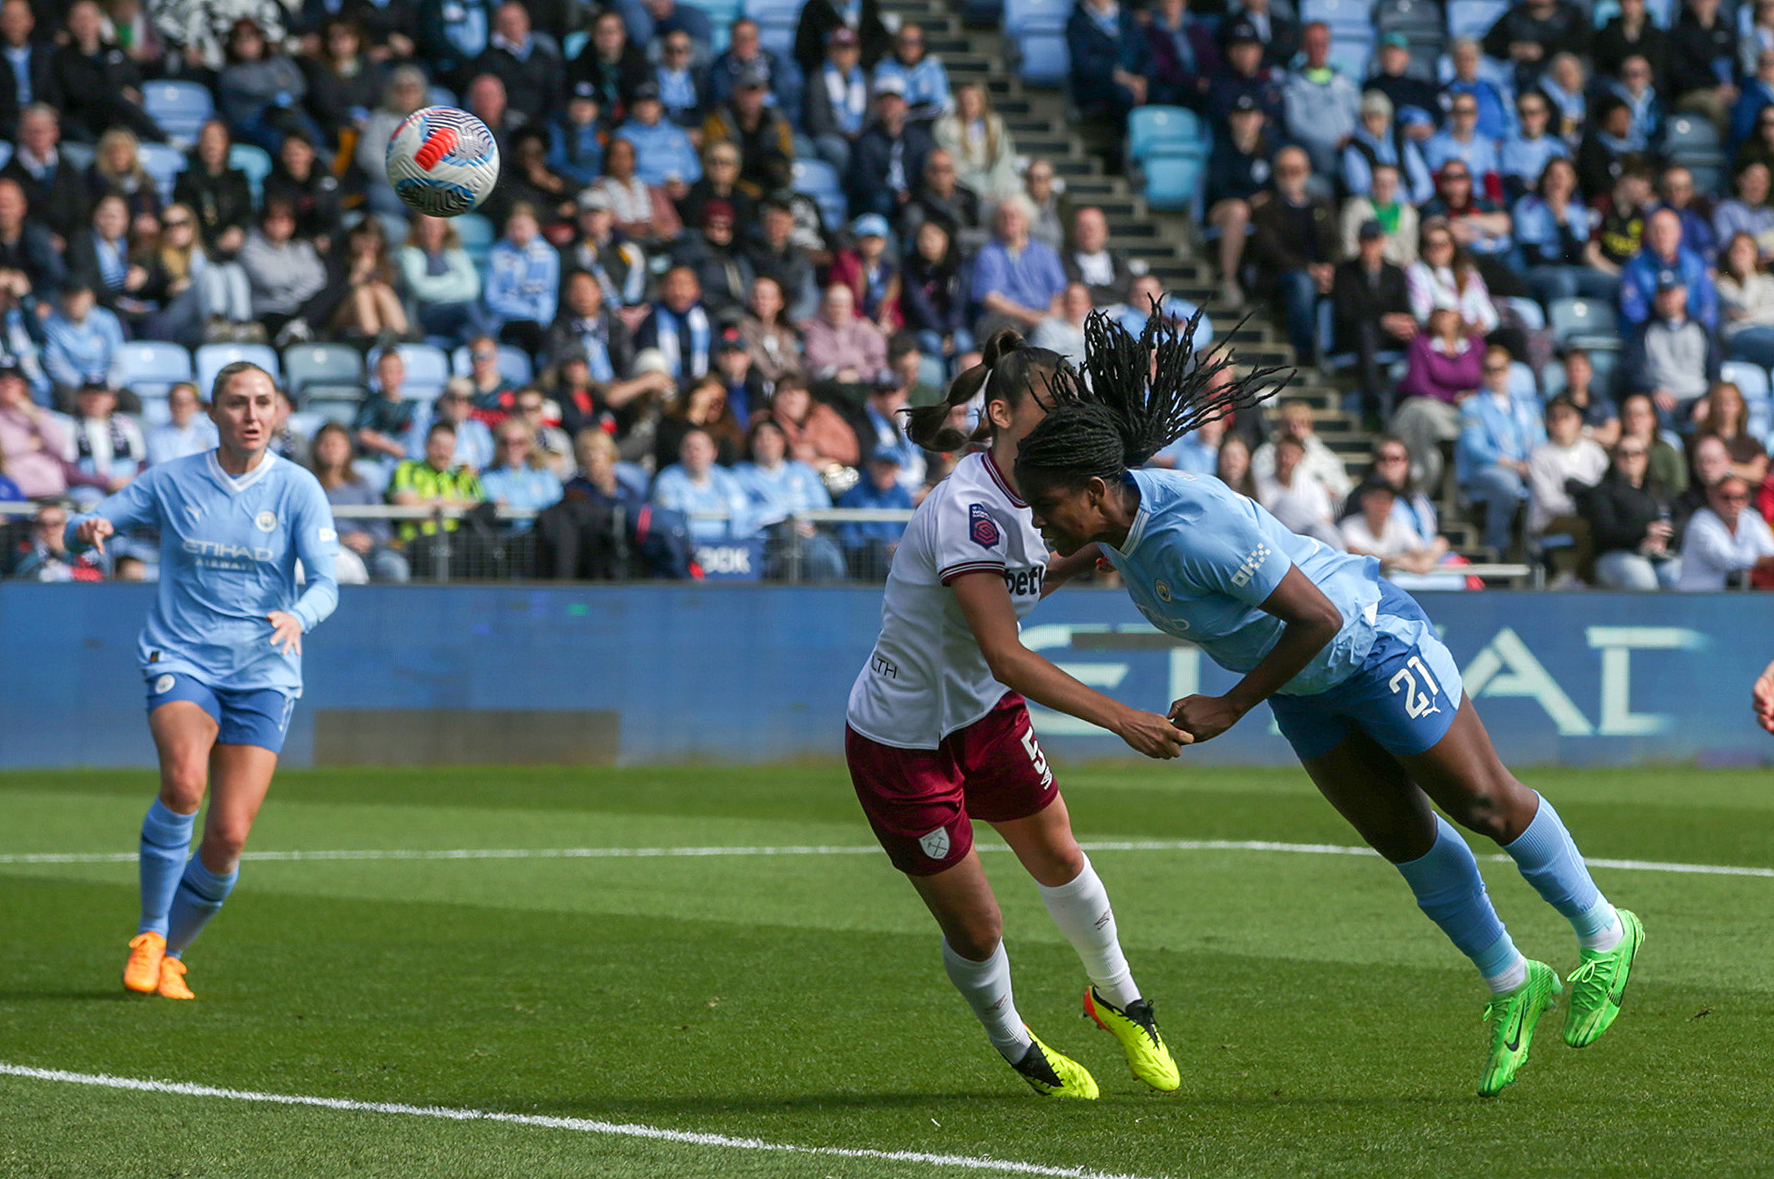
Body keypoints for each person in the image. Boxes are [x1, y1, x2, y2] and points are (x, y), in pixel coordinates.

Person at [1014, 313, 1644, 1097]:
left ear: (1095, 489)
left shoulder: (1191, 530)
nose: (1040, 521)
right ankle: (1515, 981)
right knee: (1402, 837)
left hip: (1370, 643)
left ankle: (1606, 930)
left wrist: (1231, 707)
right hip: (1304, 685)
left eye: (1045, 507)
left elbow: (1320, 616)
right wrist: (1018, 580)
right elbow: (1089, 546)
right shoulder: (1116, 516)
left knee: (1482, 800)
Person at [845, 330, 1183, 1100]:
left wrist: (1089, 551)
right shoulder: (968, 507)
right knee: (980, 929)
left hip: (984, 719)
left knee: (1060, 854)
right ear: (998, 413)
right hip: (903, 743)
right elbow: (1005, 651)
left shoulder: (1040, 492)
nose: (1066, 421)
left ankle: (1122, 1000)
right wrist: (1122, 717)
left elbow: (1023, 582)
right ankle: (1017, 1043)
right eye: (1050, 407)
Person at [68, 361, 338, 1000]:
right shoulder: (173, 479)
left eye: (263, 403)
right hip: (182, 657)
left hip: (265, 668)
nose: (251, 414)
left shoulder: (298, 488)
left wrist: (299, 614)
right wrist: (94, 525)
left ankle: (173, 954)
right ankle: (151, 934)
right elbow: (106, 512)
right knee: (184, 783)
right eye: (237, 402)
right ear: (213, 412)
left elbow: (326, 582)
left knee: (229, 836)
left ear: (277, 413)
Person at [1248, 146, 1337, 364]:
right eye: (1283, 171)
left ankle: (1339, 353)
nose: (1289, 176)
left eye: (1295, 170)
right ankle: (1305, 353)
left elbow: (1335, 242)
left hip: (1320, 271)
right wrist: (1311, 270)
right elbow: (1271, 250)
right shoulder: (1267, 208)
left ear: (1306, 171)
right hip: (1282, 275)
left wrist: (1329, 269)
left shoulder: (1323, 205)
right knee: (1302, 283)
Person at [1458, 344, 1547, 555]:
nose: (1495, 375)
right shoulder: (1472, 406)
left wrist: (1530, 463)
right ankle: (1496, 546)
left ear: (1509, 371)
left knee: (1546, 478)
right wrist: (1512, 465)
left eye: (1500, 369)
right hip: (1487, 469)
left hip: (1524, 466)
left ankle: (1538, 545)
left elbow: (1540, 441)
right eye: (1489, 370)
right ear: (1482, 373)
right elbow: (1475, 448)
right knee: (1507, 483)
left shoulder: (1527, 407)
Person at [735, 416, 845, 581]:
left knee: (823, 552)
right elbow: (741, 517)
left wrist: (812, 527)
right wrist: (781, 525)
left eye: (773, 436)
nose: (767, 442)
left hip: (809, 536)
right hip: (766, 543)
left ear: (783, 442)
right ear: (752, 443)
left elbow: (822, 509)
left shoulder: (803, 471)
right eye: (760, 437)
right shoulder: (740, 475)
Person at [1331, 220, 1415, 425]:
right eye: (1366, 240)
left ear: (1383, 241)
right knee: (1365, 331)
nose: (1370, 245)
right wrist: (1383, 319)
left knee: (1414, 332)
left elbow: (1404, 308)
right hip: (1354, 335)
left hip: (1389, 334)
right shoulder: (1344, 271)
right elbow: (1346, 312)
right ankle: (1372, 405)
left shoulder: (1395, 272)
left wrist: (1401, 323)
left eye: (1374, 240)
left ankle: (1413, 396)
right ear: (1359, 242)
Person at [308, 420, 410, 583]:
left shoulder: (363, 485)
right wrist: (340, 540)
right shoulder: (307, 486)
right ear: (315, 449)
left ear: (348, 448)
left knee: (393, 565)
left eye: (336, 444)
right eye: (325, 444)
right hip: (327, 552)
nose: (331, 449)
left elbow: (382, 527)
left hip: (368, 552)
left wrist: (368, 540)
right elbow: (305, 530)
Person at [1580, 436, 1682, 589]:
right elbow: (1605, 531)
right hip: (1614, 556)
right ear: (1615, 457)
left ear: (1646, 457)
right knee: (1642, 579)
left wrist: (1664, 538)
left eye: (1637, 453)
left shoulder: (1657, 490)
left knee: (1678, 574)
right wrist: (1644, 532)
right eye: (1624, 454)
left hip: (1656, 556)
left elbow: (1678, 520)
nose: (1630, 459)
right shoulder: (1602, 492)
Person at [1525, 396, 1609, 583]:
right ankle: (1583, 581)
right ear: (1548, 423)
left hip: (1589, 513)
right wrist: (1585, 506)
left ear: (1578, 420)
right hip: (1548, 521)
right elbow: (1549, 502)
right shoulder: (1540, 455)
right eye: (1554, 417)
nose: (1559, 422)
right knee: (1589, 529)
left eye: (1566, 416)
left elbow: (1605, 488)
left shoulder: (1594, 451)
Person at [1281, 22, 1361, 178]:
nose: (1317, 49)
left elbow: (1357, 111)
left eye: (1322, 43)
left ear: (1329, 45)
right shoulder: (1293, 83)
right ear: (1302, 46)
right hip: (1319, 154)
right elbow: (1296, 124)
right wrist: (1332, 141)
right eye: (1311, 43)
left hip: (1351, 149)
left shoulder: (1344, 78)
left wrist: (1352, 138)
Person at [1678, 473, 1774, 587]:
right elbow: (1726, 559)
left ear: (1748, 499)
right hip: (1696, 598)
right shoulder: (1700, 522)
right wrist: (1763, 560)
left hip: (1732, 598)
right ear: (1712, 496)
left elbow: (1768, 550)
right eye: (1726, 497)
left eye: (1740, 497)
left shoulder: (1751, 518)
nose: (1733, 503)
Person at [934, 83, 1020, 204]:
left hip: (993, 182)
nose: (967, 106)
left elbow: (1004, 158)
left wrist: (997, 187)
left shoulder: (995, 125)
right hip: (962, 183)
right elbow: (948, 161)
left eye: (971, 102)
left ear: (981, 103)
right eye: (963, 102)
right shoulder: (945, 127)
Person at [1256, 433, 1344, 548]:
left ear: (1300, 457)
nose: (1284, 460)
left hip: (1308, 541)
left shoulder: (1313, 485)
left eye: (1290, 455)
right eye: (1281, 454)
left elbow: (1325, 519)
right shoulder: (1260, 485)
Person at [146, 383, 219, 466]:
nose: (181, 408)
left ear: (196, 406)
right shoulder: (156, 436)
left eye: (187, 403)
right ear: (169, 405)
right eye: (176, 403)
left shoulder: (209, 433)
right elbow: (163, 468)